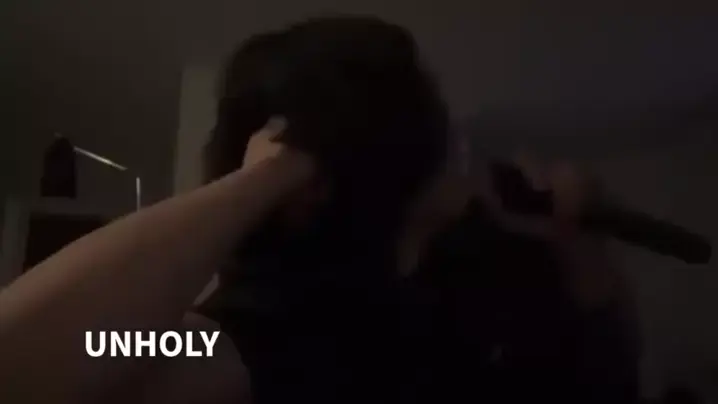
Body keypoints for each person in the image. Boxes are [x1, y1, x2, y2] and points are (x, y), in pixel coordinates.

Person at [0, 16, 638, 404]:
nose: (457, 138)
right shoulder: (256, 336)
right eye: (431, 110)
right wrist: (265, 178)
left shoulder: (470, 268)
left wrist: (580, 245)